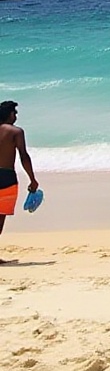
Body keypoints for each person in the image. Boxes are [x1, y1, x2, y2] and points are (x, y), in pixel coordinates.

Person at [0, 101, 38, 263]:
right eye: (14, 113)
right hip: (6, 177)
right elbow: (24, 156)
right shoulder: (16, 132)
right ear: (9, 114)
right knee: (0, 217)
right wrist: (32, 179)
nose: (15, 116)